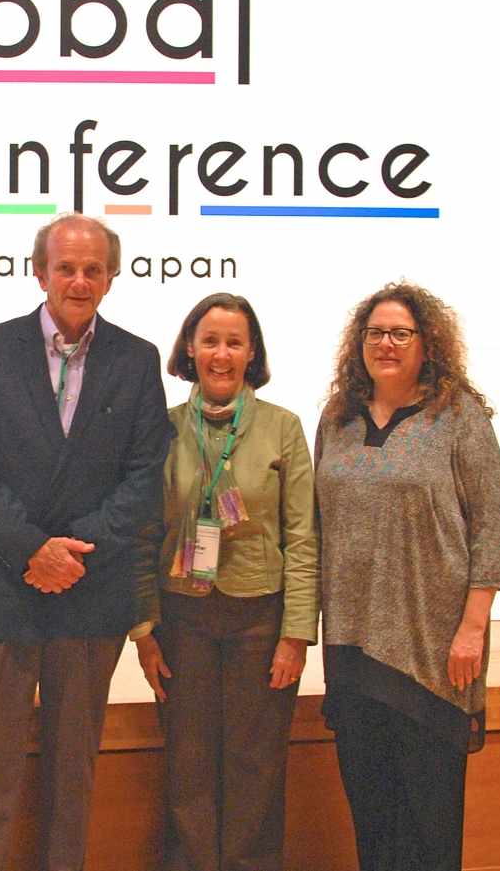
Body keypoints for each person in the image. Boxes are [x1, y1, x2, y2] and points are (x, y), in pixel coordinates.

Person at [0, 214, 171, 871]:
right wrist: (32, 550)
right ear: (39, 272)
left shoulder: (136, 359)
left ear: (111, 278)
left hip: (91, 589)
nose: (79, 281)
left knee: (74, 772)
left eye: (93, 269)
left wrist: (73, 552)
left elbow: (145, 474)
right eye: (66, 267)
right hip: (4, 584)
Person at [316, 281, 500, 871]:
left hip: (431, 650)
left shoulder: (459, 418)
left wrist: (472, 629)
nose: (386, 343)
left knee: (429, 823)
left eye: (401, 333)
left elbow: (493, 527)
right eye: (375, 333)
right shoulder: (337, 419)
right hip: (351, 646)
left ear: (428, 344)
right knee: (372, 817)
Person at [132, 292, 319, 871]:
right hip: (181, 618)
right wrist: (143, 630)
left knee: (255, 765)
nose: (221, 354)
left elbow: (303, 538)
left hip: (260, 620)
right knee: (187, 763)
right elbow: (142, 534)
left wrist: (296, 634)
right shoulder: (161, 430)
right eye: (210, 341)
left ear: (251, 352)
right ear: (190, 349)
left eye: (234, 342)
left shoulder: (283, 427)